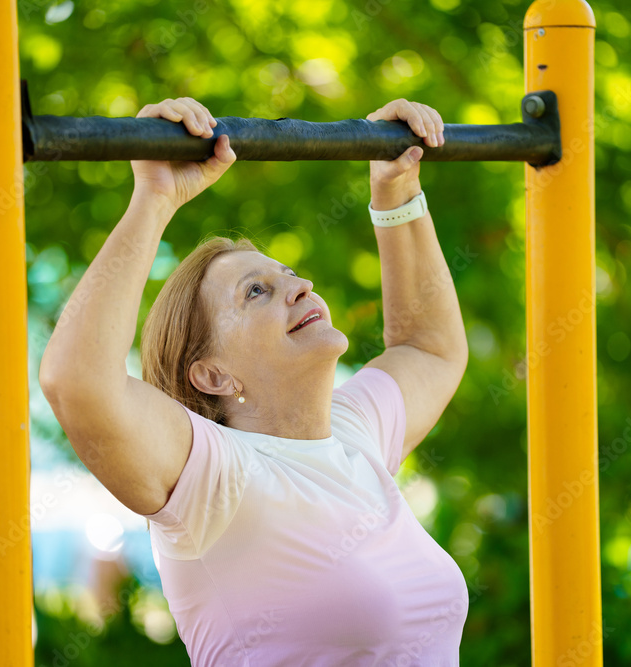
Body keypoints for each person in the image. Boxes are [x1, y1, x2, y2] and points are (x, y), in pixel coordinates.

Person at [40, 96, 470, 666]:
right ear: (211, 374)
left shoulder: (353, 434)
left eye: (287, 275)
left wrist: (395, 190)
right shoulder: (218, 477)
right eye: (255, 292)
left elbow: (429, 346)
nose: (300, 285)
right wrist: (155, 199)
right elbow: (77, 382)